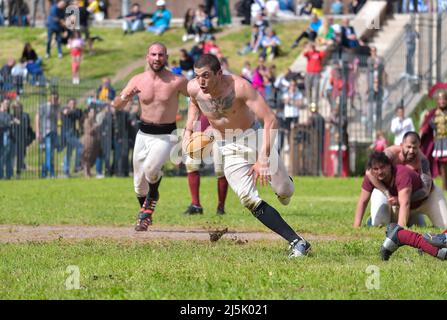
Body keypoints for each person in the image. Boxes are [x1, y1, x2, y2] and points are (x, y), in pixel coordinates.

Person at [183, 53, 311, 257]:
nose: (201, 81)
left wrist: (262, 159)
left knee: (285, 191)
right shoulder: (193, 88)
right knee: (247, 198)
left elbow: (270, 119)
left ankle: (285, 183)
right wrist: (188, 131)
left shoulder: (240, 87)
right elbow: (193, 103)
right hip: (227, 146)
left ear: (219, 73)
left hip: (254, 138)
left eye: (206, 76)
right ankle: (297, 242)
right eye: (197, 76)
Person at [111, 42, 188, 231]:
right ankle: (146, 212)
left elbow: (196, 97)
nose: (157, 58)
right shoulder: (137, 79)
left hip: (166, 134)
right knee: (138, 185)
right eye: (153, 54)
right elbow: (116, 105)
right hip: (143, 134)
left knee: (151, 169)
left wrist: (192, 125)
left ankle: (152, 199)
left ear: (166, 57)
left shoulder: (176, 81)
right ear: (147, 57)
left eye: (161, 55)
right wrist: (125, 97)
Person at [353, 151, 447, 229]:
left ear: (389, 165)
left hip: (426, 199)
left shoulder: (401, 174)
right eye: (375, 169)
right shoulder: (371, 176)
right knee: (380, 222)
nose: (379, 171)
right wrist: (356, 226)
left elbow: (405, 203)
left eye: (382, 167)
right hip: (401, 204)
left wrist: (399, 230)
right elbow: (363, 201)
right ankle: (372, 220)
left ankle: (412, 218)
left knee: (446, 226)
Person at [184, 113, 229, 215]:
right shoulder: (196, 96)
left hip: (220, 131)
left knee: (220, 169)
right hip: (198, 131)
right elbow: (193, 108)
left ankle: (220, 208)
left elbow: (230, 109)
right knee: (191, 164)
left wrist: (214, 126)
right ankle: (196, 205)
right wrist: (188, 130)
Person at [420, 91, 447, 190]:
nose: (442, 101)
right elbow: (427, 126)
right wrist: (426, 119)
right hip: (440, 141)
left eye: (444, 99)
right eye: (440, 99)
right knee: (442, 163)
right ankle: (445, 186)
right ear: (437, 101)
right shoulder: (433, 113)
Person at [35, 92, 60, 178]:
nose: (55, 100)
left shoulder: (56, 108)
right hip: (46, 133)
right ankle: (51, 173)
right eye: (53, 98)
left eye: (56, 99)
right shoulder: (44, 106)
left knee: (50, 154)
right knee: (49, 153)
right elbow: (37, 118)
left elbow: (58, 121)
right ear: (50, 98)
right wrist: (38, 132)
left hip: (54, 132)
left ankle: (44, 173)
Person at [61, 98, 83, 177]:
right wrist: (70, 110)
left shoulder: (76, 111)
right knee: (80, 146)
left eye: (74, 103)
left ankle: (66, 170)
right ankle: (77, 166)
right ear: (68, 104)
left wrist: (73, 111)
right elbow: (65, 112)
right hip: (67, 133)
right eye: (71, 103)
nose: (73, 105)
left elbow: (79, 114)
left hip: (73, 133)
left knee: (69, 152)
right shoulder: (64, 109)